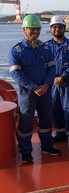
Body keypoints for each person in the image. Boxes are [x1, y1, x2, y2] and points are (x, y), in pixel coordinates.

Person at [8, 15, 61, 164]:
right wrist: (33, 87)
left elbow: (52, 68)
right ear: (24, 29)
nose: (35, 32)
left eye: (37, 29)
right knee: (26, 123)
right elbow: (15, 73)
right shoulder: (16, 51)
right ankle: (25, 152)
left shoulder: (46, 49)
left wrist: (46, 85)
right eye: (32, 29)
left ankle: (47, 146)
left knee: (46, 119)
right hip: (27, 94)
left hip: (44, 92)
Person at [46, 16, 69, 150]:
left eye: (60, 27)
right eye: (55, 27)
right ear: (51, 29)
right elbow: (44, 65)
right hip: (53, 84)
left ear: (64, 29)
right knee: (56, 109)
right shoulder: (46, 47)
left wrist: (63, 77)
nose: (57, 29)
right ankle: (60, 134)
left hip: (68, 83)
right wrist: (54, 79)